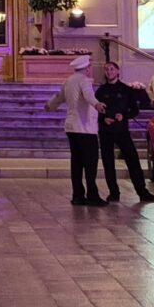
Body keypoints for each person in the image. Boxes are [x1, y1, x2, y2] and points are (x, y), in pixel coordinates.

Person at [94, 57, 154, 204]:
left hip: (122, 130)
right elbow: (95, 111)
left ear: (117, 71)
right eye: (106, 69)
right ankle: (114, 193)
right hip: (106, 131)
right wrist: (104, 118)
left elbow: (134, 110)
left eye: (111, 69)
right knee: (108, 163)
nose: (109, 72)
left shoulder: (126, 89)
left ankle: (142, 192)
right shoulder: (100, 91)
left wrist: (123, 115)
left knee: (133, 161)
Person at [61, 60, 103, 205]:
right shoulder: (84, 80)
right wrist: (97, 104)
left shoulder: (69, 80)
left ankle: (78, 195)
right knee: (90, 163)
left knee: (77, 163)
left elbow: (60, 96)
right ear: (87, 68)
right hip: (85, 128)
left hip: (71, 127)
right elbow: (88, 96)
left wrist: (51, 105)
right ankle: (92, 195)